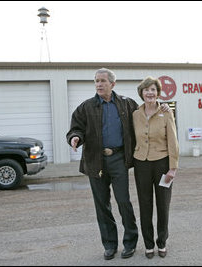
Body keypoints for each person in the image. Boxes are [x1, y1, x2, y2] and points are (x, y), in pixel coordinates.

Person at [66, 68, 139, 260]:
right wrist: (75, 138)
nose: (98, 84)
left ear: (113, 84)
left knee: (123, 202)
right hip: (95, 160)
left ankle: (130, 243)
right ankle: (109, 245)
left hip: (119, 159)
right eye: (96, 81)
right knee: (102, 205)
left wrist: (162, 108)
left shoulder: (127, 104)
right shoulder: (86, 107)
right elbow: (76, 128)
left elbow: (144, 120)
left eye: (102, 81)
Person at [132, 76, 179, 259]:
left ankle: (162, 242)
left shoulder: (167, 112)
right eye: (146, 90)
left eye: (153, 90)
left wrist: (173, 167)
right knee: (145, 205)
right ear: (141, 93)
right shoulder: (135, 114)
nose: (149, 93)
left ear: (158, 93)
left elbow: (173, 141)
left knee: (163, 205)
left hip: (162, 163)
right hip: (141, 164)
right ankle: (148, 244)